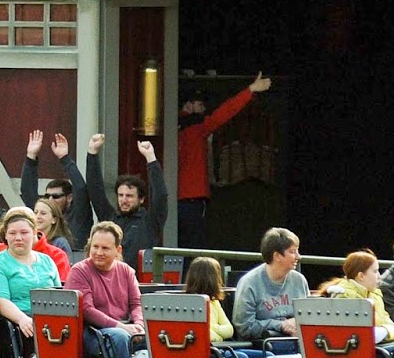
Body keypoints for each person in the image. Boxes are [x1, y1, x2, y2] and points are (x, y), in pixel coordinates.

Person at [177, 74, 271, 251]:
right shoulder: (197, 128)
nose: (204, 109)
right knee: (192, 249)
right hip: (192, 197)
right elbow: (225, 113)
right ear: (188, 105)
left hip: (171, 197)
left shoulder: (169, 127)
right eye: (200, 104)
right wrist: (250, 90)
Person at [0, 208, 62, 358]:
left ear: (34, 233)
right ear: (5, 235)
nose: (18, 238)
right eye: (12, 233)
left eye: (24, 233)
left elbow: (60, 294)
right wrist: (22, 319)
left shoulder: (47, 261)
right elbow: (0, 300)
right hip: (17, 323)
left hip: (52, 320)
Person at [65, 221, 144, 358]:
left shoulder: (126, 271)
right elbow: (87, 310)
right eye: (95, 247)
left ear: (117, 250)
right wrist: (120, 326)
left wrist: (139, 326)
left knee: (153, 336)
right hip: (92, 331)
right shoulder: (79, 271)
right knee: (120, 337)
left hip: (125, 325)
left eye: (105, 248)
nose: (99, 252)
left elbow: (136, 303)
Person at [86, 135, 169, 273]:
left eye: (129, 196)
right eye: (120, 195)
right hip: (108, 279)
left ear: (141, 199)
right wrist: (92, 153)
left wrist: (151, 158)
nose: (124, 200)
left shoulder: (150, 222)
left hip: (137, 282)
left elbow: (160, 196)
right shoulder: (110, 218)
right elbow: (95, 191)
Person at [184, 255, 259, 358]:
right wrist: (217, 331)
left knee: (267, 356)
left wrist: (210, 326)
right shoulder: (191, 303)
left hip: (223, 348)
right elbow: (207, 336)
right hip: (210, 352)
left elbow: (229, 330)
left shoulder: (215, 302)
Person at [232, 227, 310, 342]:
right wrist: (281, 325)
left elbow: (308, 317)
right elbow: (245, 327)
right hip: (263, 344)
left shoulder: (299, 280)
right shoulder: (249, 283)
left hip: (297, 341)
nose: (299, 257)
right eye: (292, 252)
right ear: (277, 256)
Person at [21, 130, 93, 252]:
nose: (50, 200)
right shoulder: (41, 212)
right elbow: (27, 191)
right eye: (47, 196)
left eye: (56, 196)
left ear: (69, 198)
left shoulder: (78, 216)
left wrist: (65, 158)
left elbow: (80, 188)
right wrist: (31, 157)